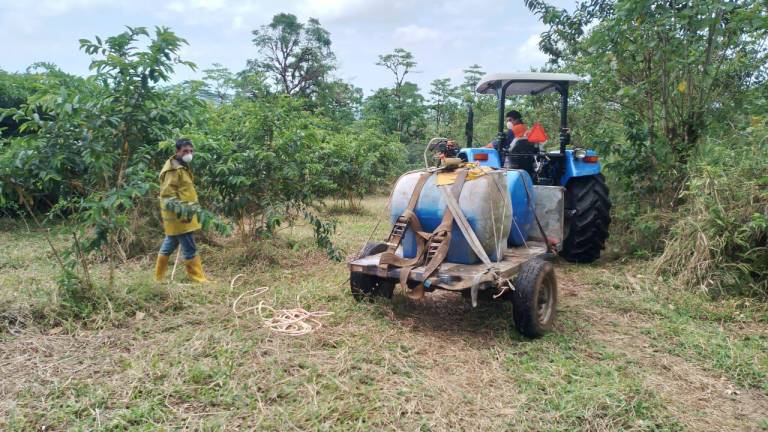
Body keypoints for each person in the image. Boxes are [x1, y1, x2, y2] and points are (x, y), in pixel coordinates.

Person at [154, 138, 210, 283]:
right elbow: (167, 195)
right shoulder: (173, 170)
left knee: (169, 244)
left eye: (191, 151)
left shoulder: (182, 166)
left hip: (183, 215)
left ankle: (158, 278)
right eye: (185, 151)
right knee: (189, 248)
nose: (189, 154)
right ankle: (198, 278)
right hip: (180, 217)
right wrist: (183, 211)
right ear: (177, 151)